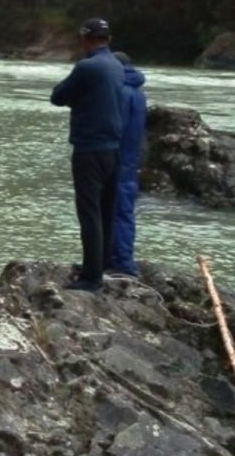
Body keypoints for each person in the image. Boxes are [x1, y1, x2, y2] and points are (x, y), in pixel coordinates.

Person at [50, 18, 124, 292]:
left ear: (85, 38)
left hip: (89, 149)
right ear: (109, 38)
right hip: (113, 149)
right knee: (106, 210)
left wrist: (77, 99)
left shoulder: (87, 67)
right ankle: (100, 265)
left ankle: (91, 278)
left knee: (89, 212)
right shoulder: (116, 65)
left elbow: (57, 96)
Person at [108, 52, 147, 278]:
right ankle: (123, 259)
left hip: (116, 156)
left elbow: (113, 126)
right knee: (124, 211)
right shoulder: (138, 92)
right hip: (131, 158)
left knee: (115, 210)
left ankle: (120, 263)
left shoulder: (119, 91)